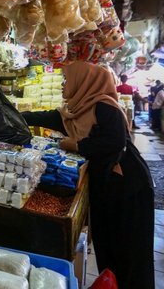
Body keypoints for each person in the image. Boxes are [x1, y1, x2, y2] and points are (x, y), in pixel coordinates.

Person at [21, 62, 154, 289]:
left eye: (67, 80)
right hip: (106, 183)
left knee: (129, 249)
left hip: (127, 185)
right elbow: (48, 117)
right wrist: (16, 115)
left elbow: (115, 141)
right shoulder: (76, 109)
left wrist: (77, 145)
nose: (64, 85)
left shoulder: (104, 106)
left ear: (83, 82)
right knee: (107, 243)